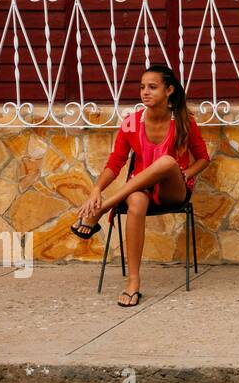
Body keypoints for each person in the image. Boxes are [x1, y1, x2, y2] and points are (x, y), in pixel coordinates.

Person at [70, 64, 211, 307]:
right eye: (142, 87)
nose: (145, 92)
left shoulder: (185, 121)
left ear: (169, 90)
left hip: (173, 192)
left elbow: (203, 158)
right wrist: (96, 189)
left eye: (153, 87)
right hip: (141, 190)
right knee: (135, 202)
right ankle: (133, 282)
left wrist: (185, 173)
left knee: (167, 162)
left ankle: (103, 209)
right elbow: (116, 162)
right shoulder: (131, 123)